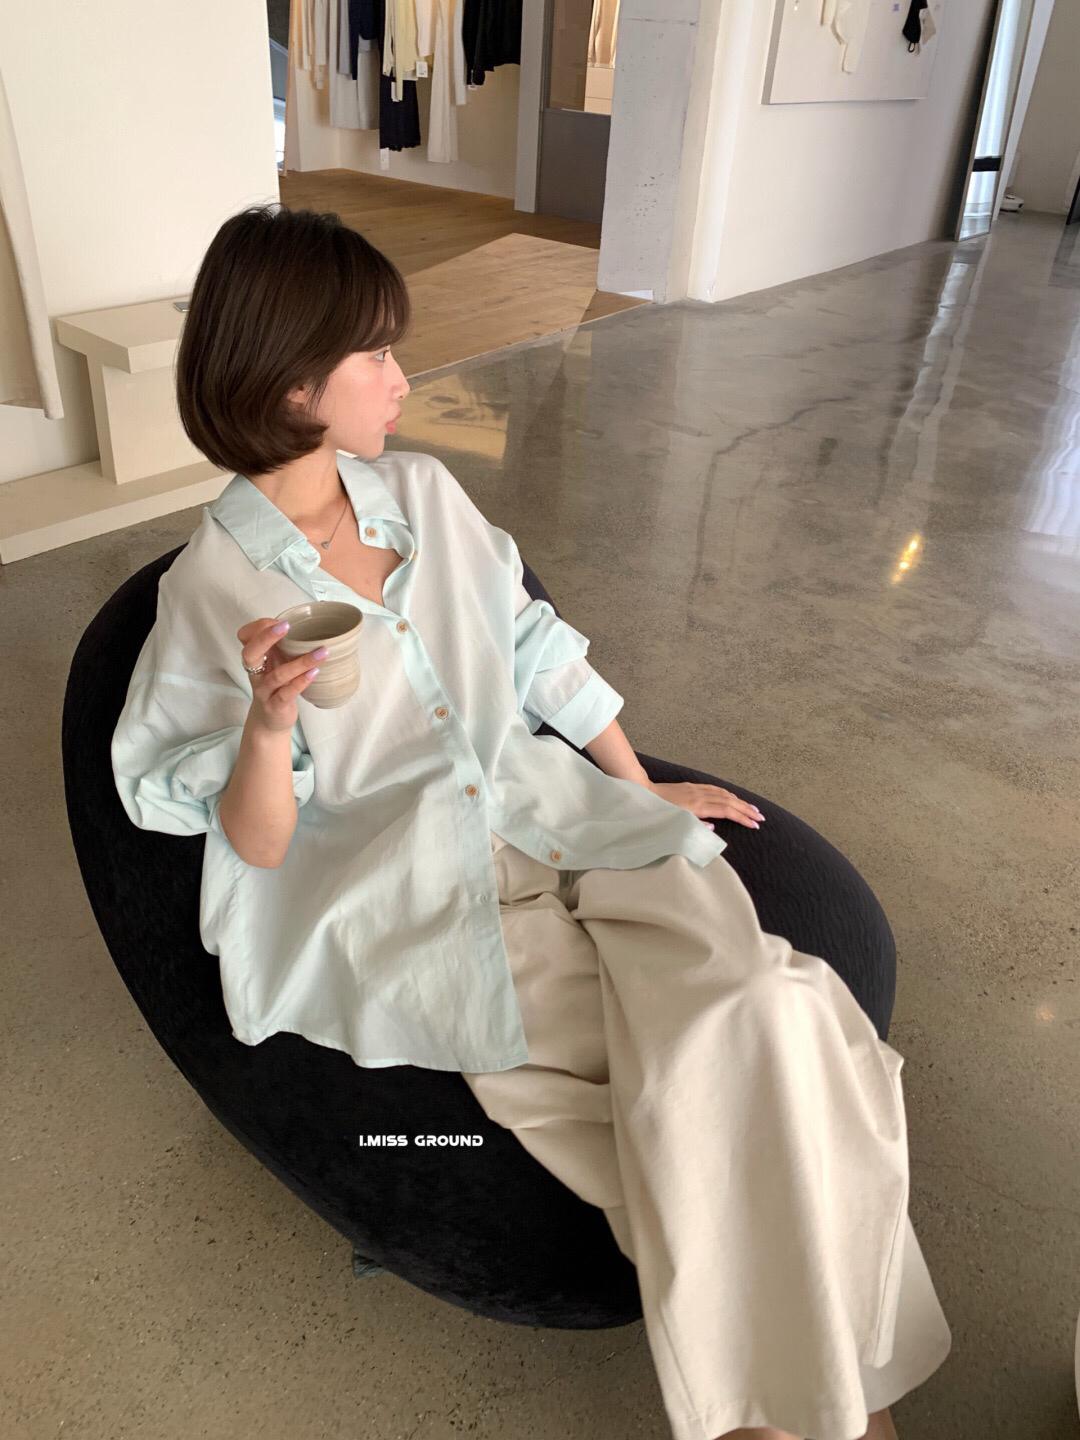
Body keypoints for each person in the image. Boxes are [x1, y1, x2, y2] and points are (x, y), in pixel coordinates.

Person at [111, 204, 951, 1440]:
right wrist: (268, 724)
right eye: (376, 356)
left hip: (559, 818)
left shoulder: (424, 493)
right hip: (406, 891)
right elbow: (254, 843)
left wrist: (636, 785)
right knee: (705, 1076)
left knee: (766, 1006)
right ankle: (825, 1417)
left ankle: (791, 1411)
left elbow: (533, 648)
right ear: (293, 386)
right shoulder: (209, 593)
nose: (406, 378)